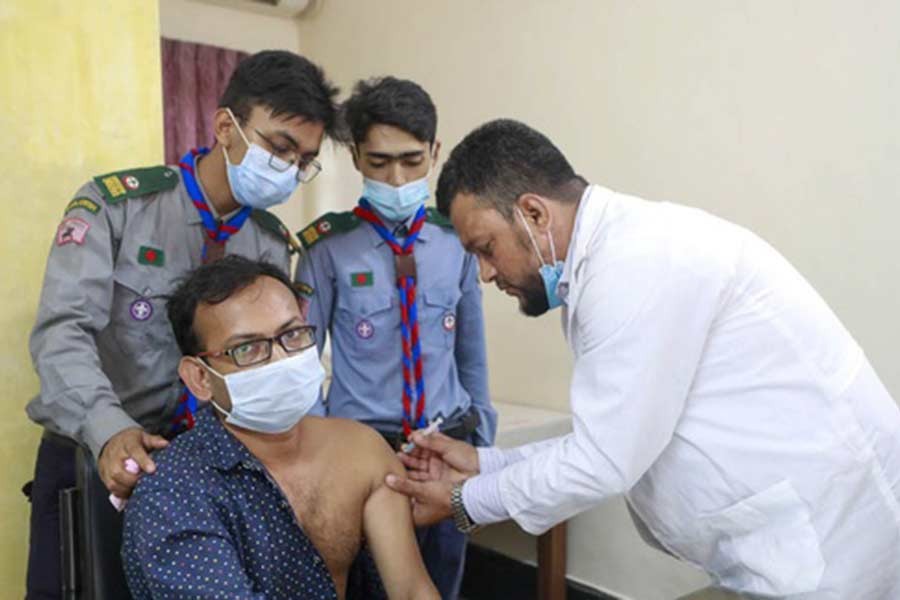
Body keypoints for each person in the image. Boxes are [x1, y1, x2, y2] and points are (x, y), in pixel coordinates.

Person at [386, 118, 900, 599]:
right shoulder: (604, 263)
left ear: (535, 213)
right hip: (790, 538)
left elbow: (602, 463)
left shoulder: (635, 264)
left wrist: (463, 501)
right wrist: (484, 461)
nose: (484, 274)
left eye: (486, 248)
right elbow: (613, 436)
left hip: (833, 542)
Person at [24, 50, 339, 599]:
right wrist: (107, 431)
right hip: (100, 453)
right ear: (226, 126)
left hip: (206, 473)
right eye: (279, 147)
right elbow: (61, 334)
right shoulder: (118, 206)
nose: (288, 169)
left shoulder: (268, 240)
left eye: (303, 159)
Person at [121, 256, 439, 600]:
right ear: (200, 378)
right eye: (248, 348)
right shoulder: (173, 492)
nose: (281, 359)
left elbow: (411, 591)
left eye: (292, 334)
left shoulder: (361, 449)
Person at [293, 76, 496, 598]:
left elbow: (470, 352)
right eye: (379, 162)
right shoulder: (328, 245)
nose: (396, 176)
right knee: (368, 585)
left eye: (411, 160)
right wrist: (321, 459)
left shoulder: (455, 241)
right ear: (357, 158)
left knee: (442, 580)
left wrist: (482, 438)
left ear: (434, 153)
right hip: (364, 448)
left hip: (446, 441)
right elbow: (301, 361)